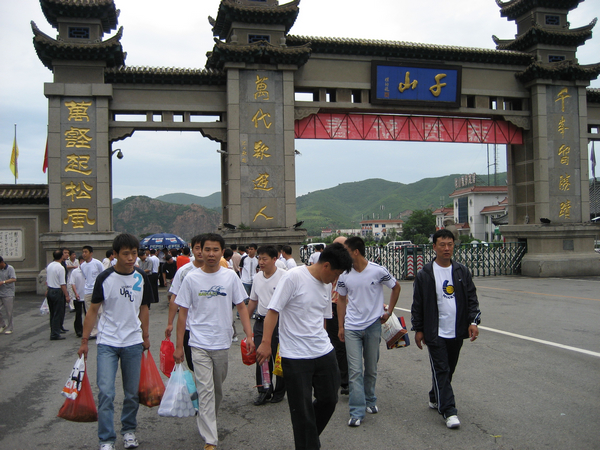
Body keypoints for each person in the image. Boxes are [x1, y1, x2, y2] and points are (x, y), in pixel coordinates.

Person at [256, 243, 352, 450]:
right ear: (326, 266)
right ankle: (308, 444)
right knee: (302, 410)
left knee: (329, 399)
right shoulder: (294, 277)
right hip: (295, 355)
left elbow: (323, 318)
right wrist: (265, 343)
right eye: (336, 274)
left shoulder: (326, 284)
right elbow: (273, 311)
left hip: (323, 351)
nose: (335, 280)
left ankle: (308, 438)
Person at [173, 233, 254, 450]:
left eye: (215, 250)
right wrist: (179, 346)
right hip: (198, 342)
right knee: (205, 389)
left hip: (222, 342)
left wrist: (249, 335)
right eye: (206, 249)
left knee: (216, 389)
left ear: (221, 252)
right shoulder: (191, 278)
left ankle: (207, 417)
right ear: (199, 251)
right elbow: (182, 314)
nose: (210, 254)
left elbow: (241, 307)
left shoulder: (230, 277)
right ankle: (211, 440)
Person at [78, 233, 152, 450]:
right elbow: (93, 310)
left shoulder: (141, 277)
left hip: (133, 342)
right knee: (106, 392)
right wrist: (84, 341)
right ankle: (106, 439)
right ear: (115, 255)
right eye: (126, 254)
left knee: (131, 393)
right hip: (107, 342)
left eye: (134, 253)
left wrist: (146, 336)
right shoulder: (105, 278)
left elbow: (144, 308)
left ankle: (129, 430)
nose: (131, 258)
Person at [411, 229, 481, 430]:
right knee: (441, 369)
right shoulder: (425, 274)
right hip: (435, 332)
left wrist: (473, 322)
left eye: (450, 244)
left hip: (456, 330)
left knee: (448, 368)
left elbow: (471, 298)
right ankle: (449, 411)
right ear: (434, 247)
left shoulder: (461, 271)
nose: (447, 248)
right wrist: (419, 329)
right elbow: (418, 304)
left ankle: (435, 396)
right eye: (442, 245)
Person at [337, 236, 401, 427]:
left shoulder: (377, 271)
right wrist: (340, 326)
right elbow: (341, 299)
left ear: (356, 252)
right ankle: (357, 410)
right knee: (355, 371)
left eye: (346, 251)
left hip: (373, 326)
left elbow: (396, 287)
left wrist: (389, 311)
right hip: (352, 327)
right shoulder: (344, 275)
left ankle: (370, 399)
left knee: (371, 368)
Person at [246, 246, 286, 406]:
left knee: (279, 357)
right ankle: (264, 390)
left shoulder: (284, 276)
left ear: (275, 259)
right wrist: (246, 321)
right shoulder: (257, 277)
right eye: (259, 258)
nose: (261, 262)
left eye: (264, 259)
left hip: (280, 322)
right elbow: (253, 301)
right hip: (261, 321)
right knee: (261, 356)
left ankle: (280, 391)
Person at [165, 234, 204, 371]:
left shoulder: (217, 270)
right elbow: (174, 298)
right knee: (194, 365)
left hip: (210, 326)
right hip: (189, 326)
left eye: (203, 248)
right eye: (197, 248)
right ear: (192, 250)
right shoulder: (184, 271)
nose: (200, 251)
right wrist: (170, 323)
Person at [325, 237, 349, 396]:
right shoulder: (330, 264)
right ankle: (343, 379)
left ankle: (347, 379)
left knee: (345, 345)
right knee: (337, 344)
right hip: (332, 306)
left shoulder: (350, 266)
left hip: (348, 307)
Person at [80, 245, 105, 339]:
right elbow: (85, 277)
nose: (84, 254)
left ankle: (103, 329)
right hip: (87, 291)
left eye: (86, 252)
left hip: (97, 290)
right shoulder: (82, 265)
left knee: (100, 311)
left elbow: (103, 275)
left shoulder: (97, 263)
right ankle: (94, 331)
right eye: (83, 252)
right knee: (89, 312)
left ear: (91, 253)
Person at [46, 250, 70, 340]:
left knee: (52, 313)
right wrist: (66, 295)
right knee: (57, 313)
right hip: (57, 291)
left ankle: (53, 330)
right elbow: (62, 283)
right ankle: (55, 333)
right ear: (61, 256)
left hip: (50, 289)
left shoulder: (50, 265)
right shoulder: (60, 267)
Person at [70, 255, 87, 337]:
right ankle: (78, 330)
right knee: (78, 314)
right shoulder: (75, 272)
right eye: (82, 261)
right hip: (78, 296)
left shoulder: (88, 271)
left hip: (86, 295)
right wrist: (76, 293)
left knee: (88, 314)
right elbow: (72, 283)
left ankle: (87, 329)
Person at [0, 256, 17, 335]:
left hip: (8, 293)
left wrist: (3, 282)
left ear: (2, 263)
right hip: (0, 292)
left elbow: (14, 279)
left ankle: (10, 327)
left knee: (9, 312)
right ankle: (2, 324)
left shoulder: (10, 268)